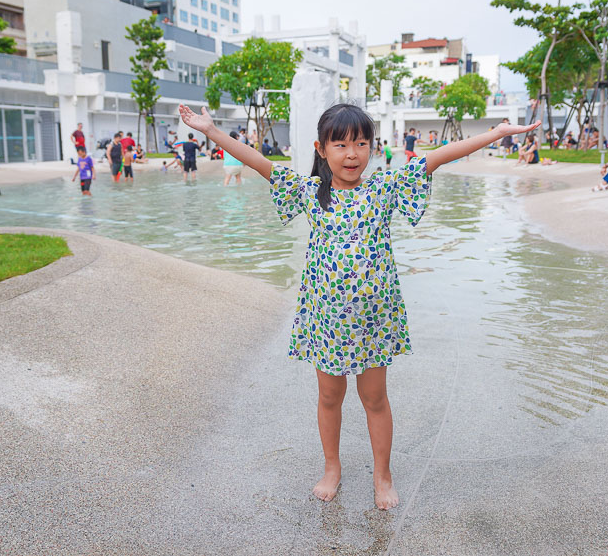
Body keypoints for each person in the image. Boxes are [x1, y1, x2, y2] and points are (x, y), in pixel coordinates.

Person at [177, 102, 539, 511]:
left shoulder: (383, 188)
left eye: (362, 143)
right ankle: (332, 467)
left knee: (375, 399)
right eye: (342, 145)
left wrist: (495, 134)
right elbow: (259, 163)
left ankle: (381, 474)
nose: (352, 154)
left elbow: (435, 158)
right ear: (321, 148)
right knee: (330, 397)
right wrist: (211, 130)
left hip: (374, 319)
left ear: (372, 147)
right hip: (326, 319)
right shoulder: (311, 193)